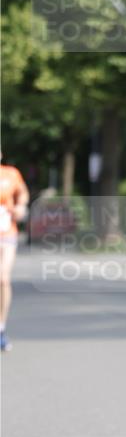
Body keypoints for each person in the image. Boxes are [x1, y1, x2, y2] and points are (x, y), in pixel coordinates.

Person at [0, 151, 30, 352]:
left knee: (3, 278)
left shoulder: (11, 174)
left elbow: (23, 194)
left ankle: (0, 328)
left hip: (6, 233)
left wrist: (20, 206)